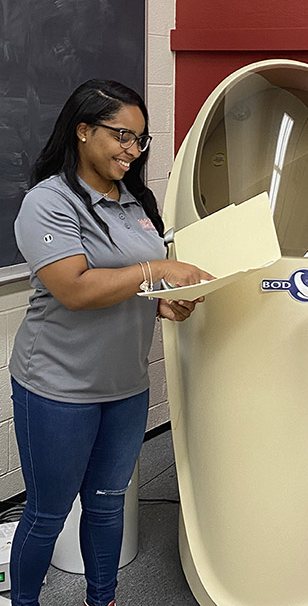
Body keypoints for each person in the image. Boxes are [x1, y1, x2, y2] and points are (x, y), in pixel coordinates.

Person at [8, 79, 212, 606]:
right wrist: (157, 268)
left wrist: (163, 301)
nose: (132, 150)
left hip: (124, 386)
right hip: (56, 386)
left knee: (106, 505)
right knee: (48, 512)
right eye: (122, 136)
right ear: (82, 131)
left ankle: (104, 600)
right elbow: (73, 288)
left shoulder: (135, 202)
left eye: (140, 140)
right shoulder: (48, 201)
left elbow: (135, 287)